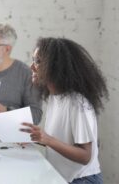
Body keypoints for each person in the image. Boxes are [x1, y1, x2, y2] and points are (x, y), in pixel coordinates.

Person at [21, 37, 107, 184]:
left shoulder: (77, 103)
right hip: (64, 177)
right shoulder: (55, 97)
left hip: (83, 180)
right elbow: (61, 142)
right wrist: (36, 139)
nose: (32, 66)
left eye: (37, 61)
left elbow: (85, 156)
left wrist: (47, 139)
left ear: (55, 67)